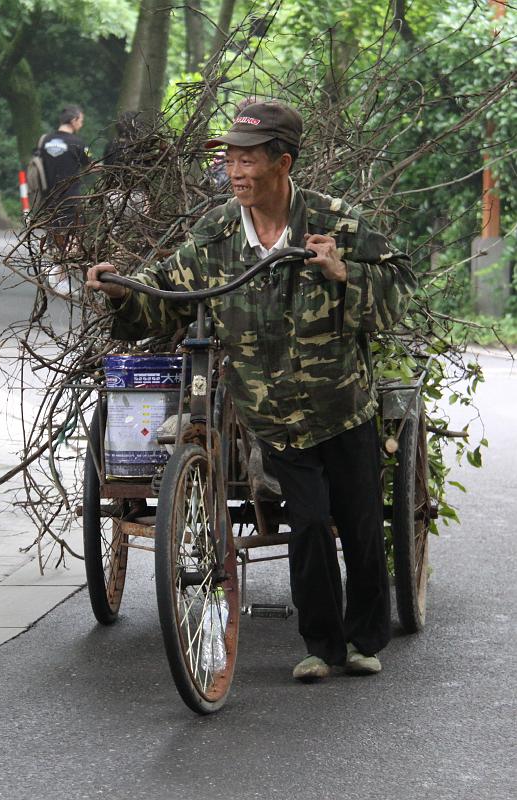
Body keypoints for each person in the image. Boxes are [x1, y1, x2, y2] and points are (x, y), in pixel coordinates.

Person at [87, 101, 417, 682]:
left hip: (342, 405)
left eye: (247, 160)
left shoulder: (334, 222)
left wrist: (346, 274)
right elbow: (165, 299)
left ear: (282, 162)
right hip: (271, 413)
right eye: (230, 161)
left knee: (361, 521)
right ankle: (321, 645)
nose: (235, 172)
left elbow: (398, 293)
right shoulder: (215, 235)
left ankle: (366, 637)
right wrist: (120, 293)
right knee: (309, 523)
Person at [40, 105, 91, 293]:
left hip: (48, 198)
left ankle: (55, 273)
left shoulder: (45, 140)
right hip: (71, 197)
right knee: (73, 240)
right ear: (74, 120)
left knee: (55, 236)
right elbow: (90, 164)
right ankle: (57, 276)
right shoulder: (78, 142)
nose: (82, 123)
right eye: (81, 120)